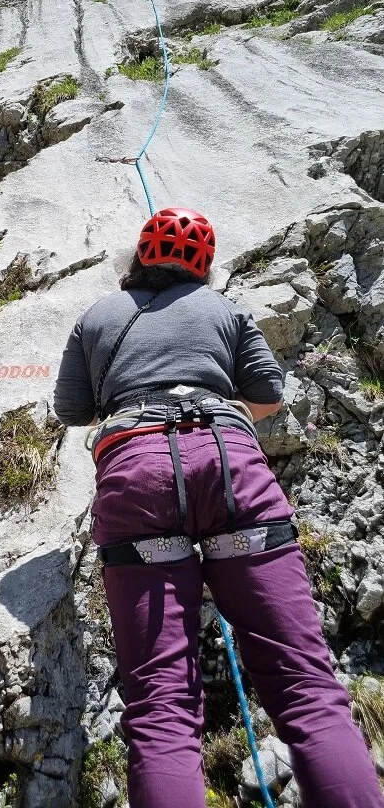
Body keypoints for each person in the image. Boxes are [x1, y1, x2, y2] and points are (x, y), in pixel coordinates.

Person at [53, 206, 384, 808]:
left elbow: (71, 411)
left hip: (136, 473)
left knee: (160, 709)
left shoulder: (96, 316)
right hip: (232, 465)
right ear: (202, 268)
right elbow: (267, 396)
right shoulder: (226, 310)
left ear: (138, 258)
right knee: (307, 688)